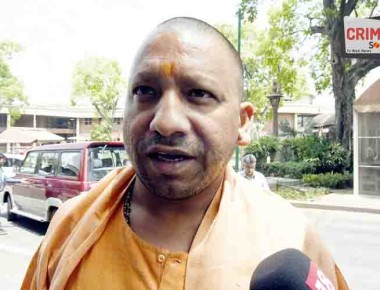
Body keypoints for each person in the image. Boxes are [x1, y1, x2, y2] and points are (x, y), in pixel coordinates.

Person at [21, 17, 349, 290]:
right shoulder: (71, 227)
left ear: (242, 122)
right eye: (145, 91)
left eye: (198, 94)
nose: (165, 122)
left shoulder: (291, 239)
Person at [0, 153, 7, 235]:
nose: (4, 161)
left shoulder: (1, 170)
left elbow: (6, 179)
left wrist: (20, 180)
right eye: (2, 159)